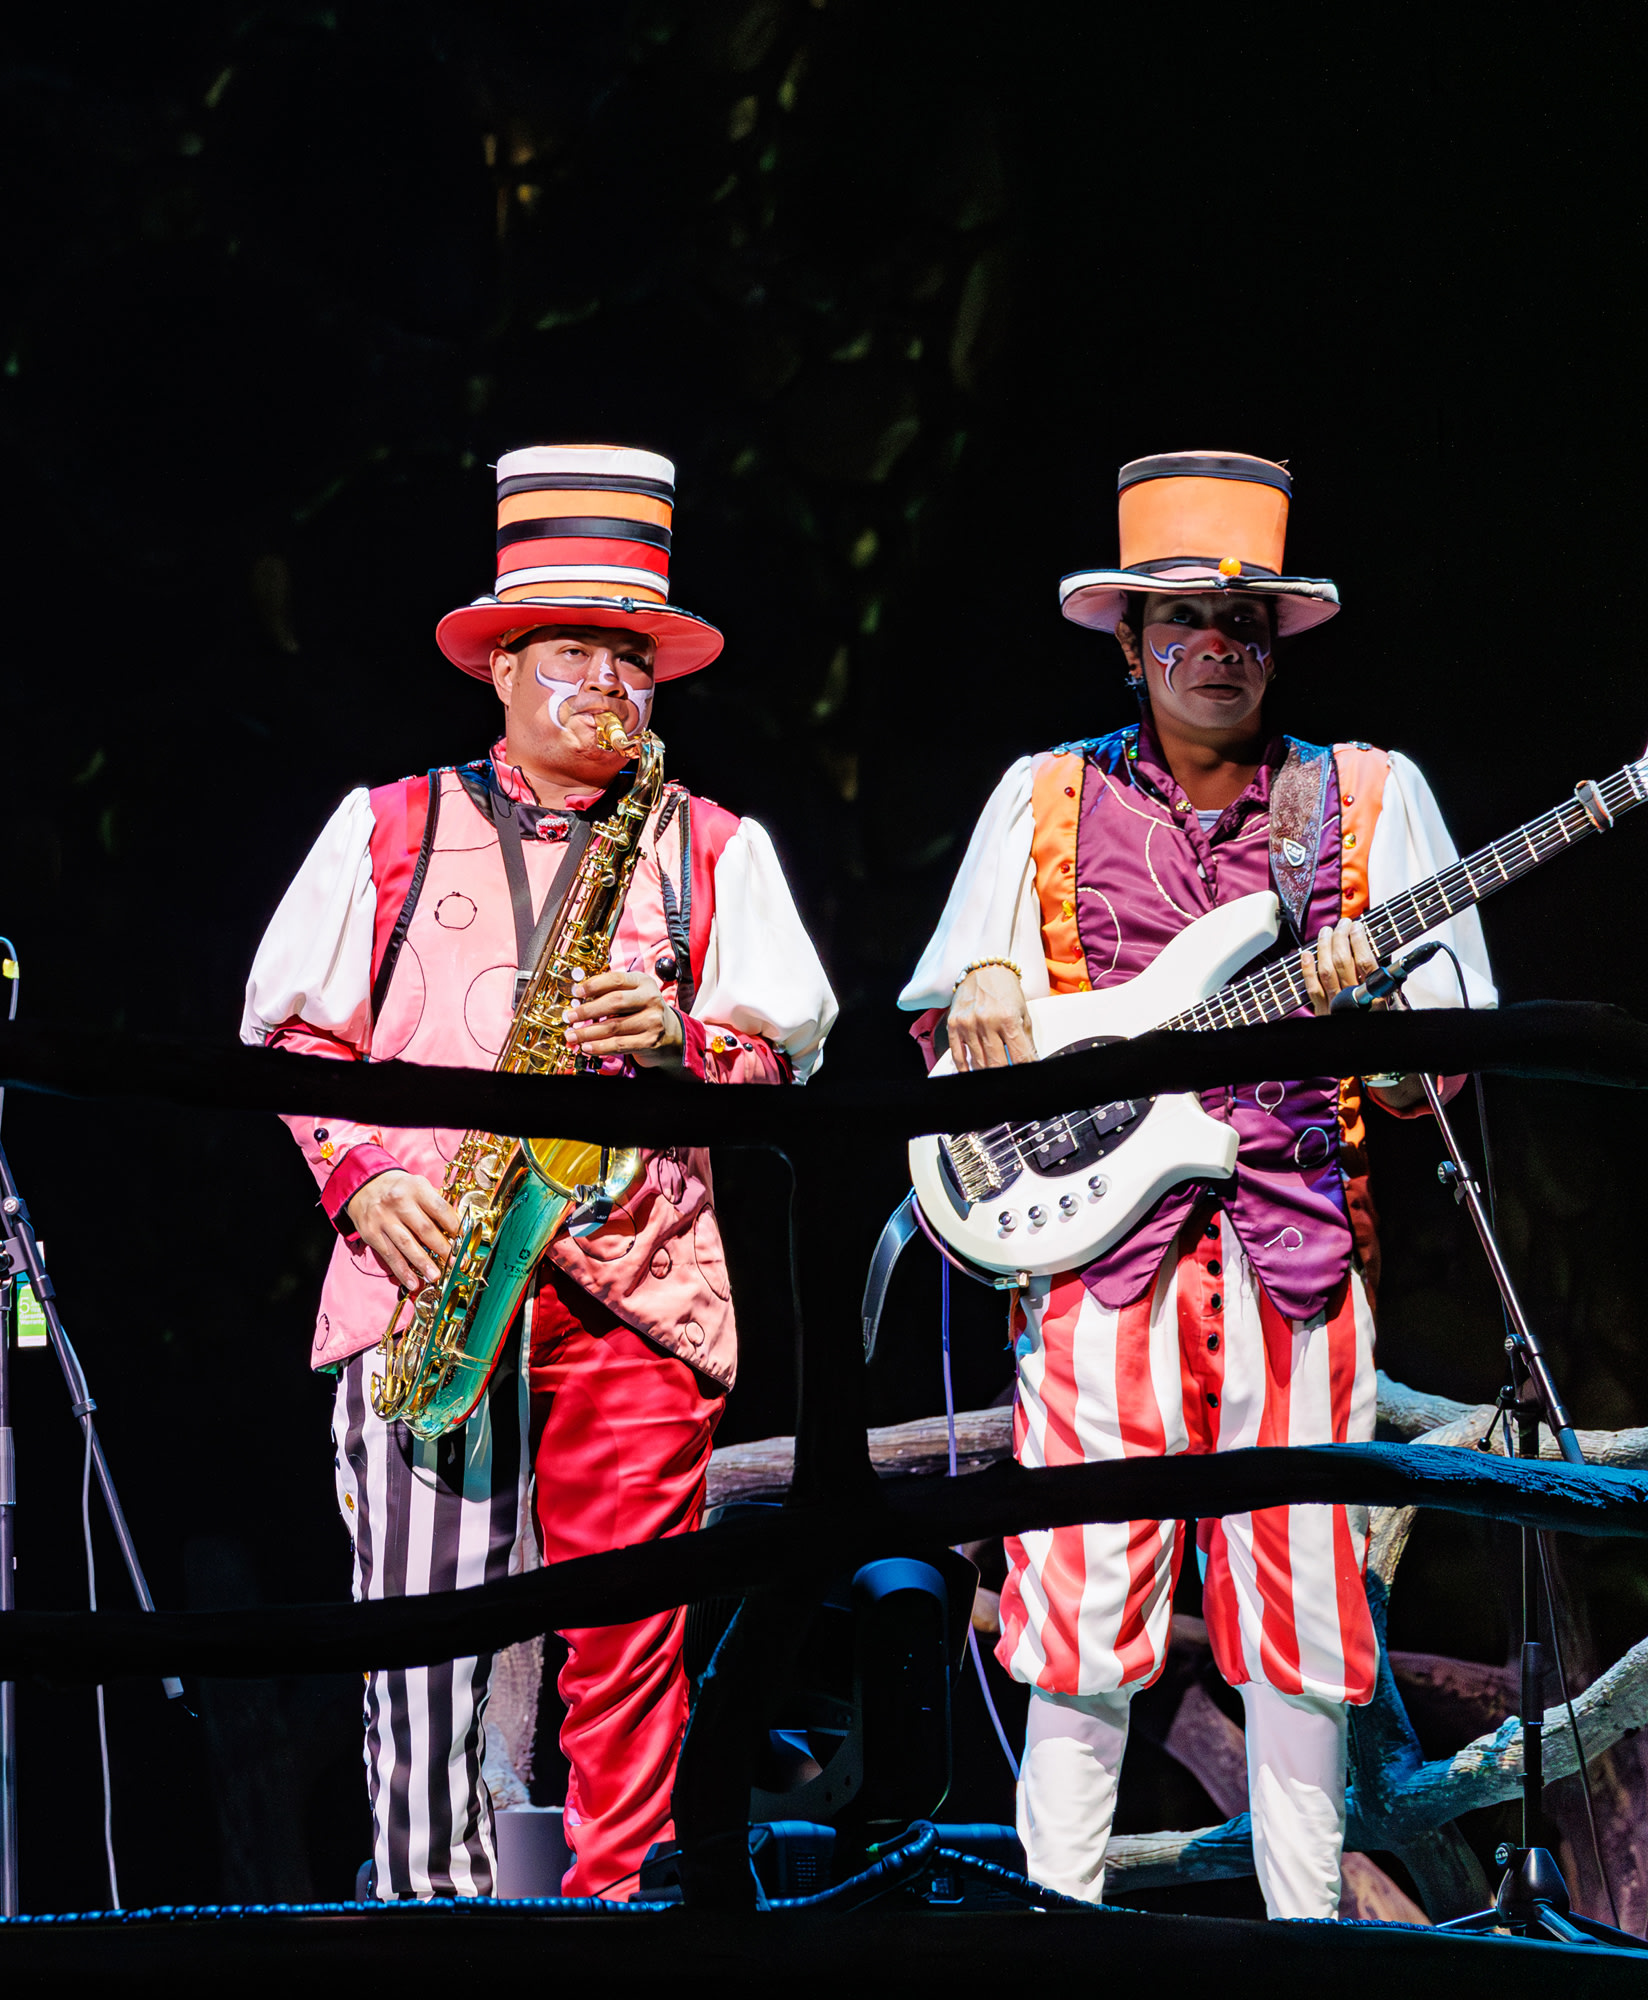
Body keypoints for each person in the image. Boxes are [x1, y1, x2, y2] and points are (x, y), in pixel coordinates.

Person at [899, 451, 1493, 1917]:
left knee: (1302, 1611)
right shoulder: (1043, 797)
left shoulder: (1368, 797)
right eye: (1183, 620)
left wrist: (1379, 1021)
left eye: (1243, 621)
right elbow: (951, 1031)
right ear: (1130, 643)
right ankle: (1061, 1926)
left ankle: (1308, 1938)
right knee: (1082, 1599)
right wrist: (985, 984)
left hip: (1298, 1257)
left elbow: (1431, 1079)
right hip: (1099, 1262)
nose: (1217, 646)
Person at [242, 444, 838, 1900]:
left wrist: (689, 1046)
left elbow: (788, 1061)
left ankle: (622, 1937)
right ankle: (427, 1930)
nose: (606, 684)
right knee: (421, 1663)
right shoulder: (385, 825)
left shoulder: (716, 846)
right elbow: (290, 1035)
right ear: (501, 667)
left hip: (638, 1294)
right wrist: (358, 1174)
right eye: (571, 650)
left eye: (632, 658)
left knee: (631, 1660)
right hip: (429, 1276)